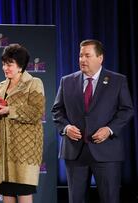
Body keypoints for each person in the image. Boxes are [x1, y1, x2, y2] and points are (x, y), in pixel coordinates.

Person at [51, 39, 134, 203]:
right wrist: (66, 127)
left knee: (110, 199)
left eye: (87, 55)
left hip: (106, 151)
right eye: (81, 55)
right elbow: (56, 110)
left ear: (100, 58)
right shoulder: (66, 81)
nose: (82, 59)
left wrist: (109, 129)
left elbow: (127, 110)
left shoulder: (117, 80)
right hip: (75, 152)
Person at [0, 44, 45, 203]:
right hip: (1, 151)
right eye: (4, 64)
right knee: (7, 193)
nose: (5, 68)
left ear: (20, 66)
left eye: (9, 64)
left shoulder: (34, 83)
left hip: (24, 151)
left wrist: (9, 110)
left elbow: (36, 113)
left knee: (24, 193)